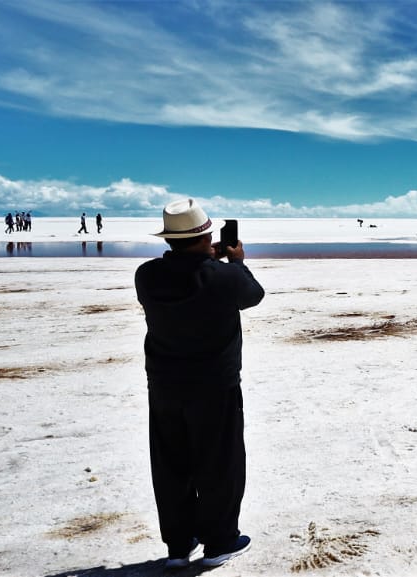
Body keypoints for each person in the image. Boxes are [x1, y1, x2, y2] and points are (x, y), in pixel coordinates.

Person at [135, 199, 263, 569]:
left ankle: (178, 544)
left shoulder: (147, 275)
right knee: (219, 462)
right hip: (213, 385)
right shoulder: (223, 276)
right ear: (206, 234)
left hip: (164, 386)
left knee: (171, 464)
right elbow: (252, 294)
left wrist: (209, 260)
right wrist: (235, 261)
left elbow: (186, 279)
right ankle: (220, 541)